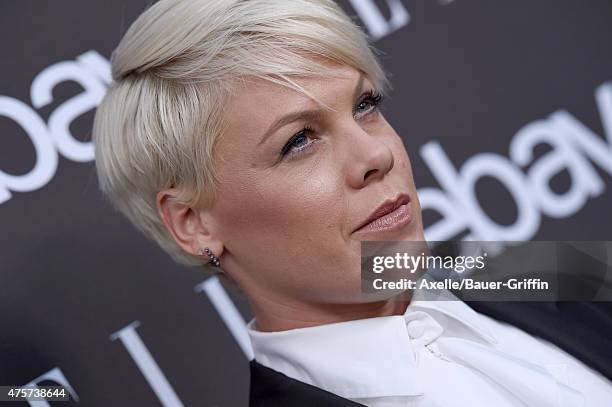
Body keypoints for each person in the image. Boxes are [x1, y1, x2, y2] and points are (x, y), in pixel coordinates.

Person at [92, 0, 612, 405]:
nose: (377, 152)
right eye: (298, 141)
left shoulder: (554, 271)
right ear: (193, 224)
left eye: (365, 106)